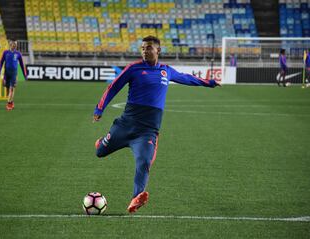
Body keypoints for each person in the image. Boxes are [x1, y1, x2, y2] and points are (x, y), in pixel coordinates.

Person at [93, 35, 221, 213]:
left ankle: (135, 198)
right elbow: (114, 87)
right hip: (125, 126)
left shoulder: (166, 71)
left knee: (144, 162)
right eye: (143, 48)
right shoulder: (133, 69)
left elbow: (186, 78)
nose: (145, 51)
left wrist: (210, 83)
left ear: (158, 50)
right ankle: (102, 142)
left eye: (149, 48)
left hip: (147, 132)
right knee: (99, 152)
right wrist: (99, 109)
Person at [0, 40, 27, 110]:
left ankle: (9, 104)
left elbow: (22, 65)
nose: (15, 45)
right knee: (7, 89)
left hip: (14, 73)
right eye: (14, 44)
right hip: (6, 73)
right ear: (10, 44)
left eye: (16, 44)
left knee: (12, 88)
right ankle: (11, 101)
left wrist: (25, 74)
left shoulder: (18, 54)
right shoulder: (5, 52)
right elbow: (1, 62)